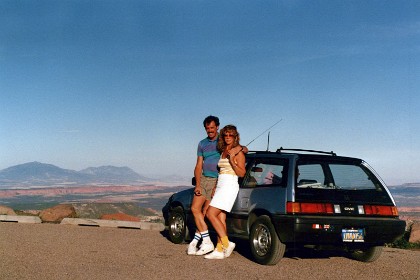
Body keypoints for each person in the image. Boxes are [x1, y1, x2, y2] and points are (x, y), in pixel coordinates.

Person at [187, 116, 245, 256]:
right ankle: (213, 245)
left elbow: (243, 150)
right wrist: (198, 183)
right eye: (207, 128)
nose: (210, 130)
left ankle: (221, 245)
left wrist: (240, 149)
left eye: (212, 127)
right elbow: (199, 164)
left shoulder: (225, 143)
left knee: (211, 214)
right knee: (201, 211)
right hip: (212, 182)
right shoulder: (209, 144)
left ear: (217, 127)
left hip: (221, 182)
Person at [204, 125, 246, 259]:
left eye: (231, 135)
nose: (228, 137)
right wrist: (216, 186)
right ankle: (219, 249)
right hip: (221, 184)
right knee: (221, 218)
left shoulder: (238, 152)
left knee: (210, 213)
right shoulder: (223, 150)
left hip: (230, 184)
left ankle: (227, 244)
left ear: (235, 136)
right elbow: (220, 171)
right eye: (225, 135)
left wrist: (232, 161)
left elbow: (242, 173)